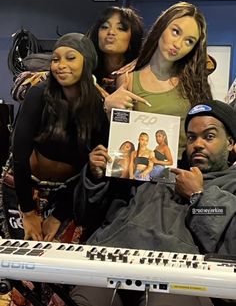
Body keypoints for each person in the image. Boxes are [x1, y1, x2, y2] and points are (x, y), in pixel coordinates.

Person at [70, 99, 236, 306]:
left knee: (164, 298)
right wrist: (95, 178)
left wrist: (198, 195)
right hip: (116, 258)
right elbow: (88, 215)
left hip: (179, 273)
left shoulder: (232, 183)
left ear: (231, 142)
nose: (198, 144)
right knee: (87, 299)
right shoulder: (158, 171)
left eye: (209, 136)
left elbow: (230, 238)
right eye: (191, 137)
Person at [11, 32, 109, 242]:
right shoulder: (38, 94)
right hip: (26, 187)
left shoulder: (97, 106)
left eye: (70, 58)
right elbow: (19, 155)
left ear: (87, 62)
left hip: (67, 194)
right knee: (21, 260)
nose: (60, 65)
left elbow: (92, 168)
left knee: (57, 262)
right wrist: (28, 212)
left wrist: (59, 215)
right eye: (55, 59)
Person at [103, 2, 213, 161]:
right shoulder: (129, 78)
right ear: (162, 27)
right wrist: (109, 110)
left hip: (187, 171)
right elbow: (123, 137)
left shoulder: (195, 82)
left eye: (189, 41)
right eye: (175, 32)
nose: (178, 44)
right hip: (145, 175)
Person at [87, 6, 144, 94]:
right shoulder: (86, 69)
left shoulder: (141, 73)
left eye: (120, 28)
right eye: (105, 27)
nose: (111, 32)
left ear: (132, 38)